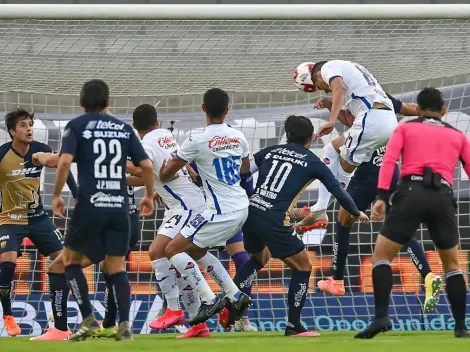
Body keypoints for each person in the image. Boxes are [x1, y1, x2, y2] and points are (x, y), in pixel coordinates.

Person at [292, 94, 442, 313]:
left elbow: (347, 139)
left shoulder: (358, 100)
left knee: (343, 220)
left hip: (367, 177)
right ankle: (428, 276)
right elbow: (360, 121)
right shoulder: (382, 101)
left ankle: (337, 279)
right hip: (390, 171)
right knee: (400, 230)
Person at [228, 115, 369, 337]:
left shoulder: (269, 151)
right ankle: (294, 326)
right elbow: (338, 191)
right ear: (311, 138)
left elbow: (242, 174)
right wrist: (356, 212)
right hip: (274, 219)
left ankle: (230, 306)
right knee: (303, 267)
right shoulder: (313, 161)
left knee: (258, 258)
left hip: (251, 212)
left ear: (287, 134)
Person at [356, 87, 469, 339]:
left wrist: (382, 197)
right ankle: (460, 327)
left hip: (410, 192)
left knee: (381, 257)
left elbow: (389, 161)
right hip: (443, 196)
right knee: (452, 265)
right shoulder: (458, 135)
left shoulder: (405, 128)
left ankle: (381, 317)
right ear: (444, 111)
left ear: (416, 110)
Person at [52, 79, 155, 341]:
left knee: (69, 262)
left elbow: (64, 161)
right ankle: (124, 325)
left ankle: (88, 320)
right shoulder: (123, 128)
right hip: (119, 207)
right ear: (108, 103)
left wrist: (56, 195)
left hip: (90, 205)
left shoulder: (76, 125)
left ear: (81, 102)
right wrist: (150, 196)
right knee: (117, 268)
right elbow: (146, 166)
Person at [159, 88, 252, 327]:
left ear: (203, 109)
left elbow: (168, 173)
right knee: (196, 250)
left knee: (172, 250)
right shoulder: (239, 137)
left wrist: (166, 170)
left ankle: (209, 299)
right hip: (241, 207)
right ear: (226, 110)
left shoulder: (196, 139)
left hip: (219, 211)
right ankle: (235, 295)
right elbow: (244, 171)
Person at [127, 104, 211, 339]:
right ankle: (199, 324)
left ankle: (174, 309)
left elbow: (144, 169)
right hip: (189, 203)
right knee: (177, 262)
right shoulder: (165, 136)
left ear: (134, 126)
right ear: (157, 122)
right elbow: (148, 176)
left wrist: (113, 164)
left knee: (156, 251)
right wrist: (119, 179)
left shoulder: (145, 145)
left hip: (184, 206)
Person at [0, 108, 78, 338]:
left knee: (65, 262)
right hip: (10, 220)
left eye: (30, 124)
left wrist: (76, 194)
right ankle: (8, 315)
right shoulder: (2, 155)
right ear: (12, 131)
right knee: (8, 265)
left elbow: (62, 166)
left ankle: (60, 317)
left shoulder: (40, 150)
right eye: (23, 125)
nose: (29, 129)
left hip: (38, 218)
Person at [293, 60, 397, 230]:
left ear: (318, 75)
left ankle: (320, 209)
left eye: (319, 85)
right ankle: (320, 207)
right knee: (331, 150)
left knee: (343, 166)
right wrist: (329, 105)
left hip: (372, 120)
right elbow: (350, 121)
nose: (324, 89)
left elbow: (337, 88)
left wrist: (332, 121)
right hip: (384, 122)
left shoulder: (328, 68)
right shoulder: (353, 77)